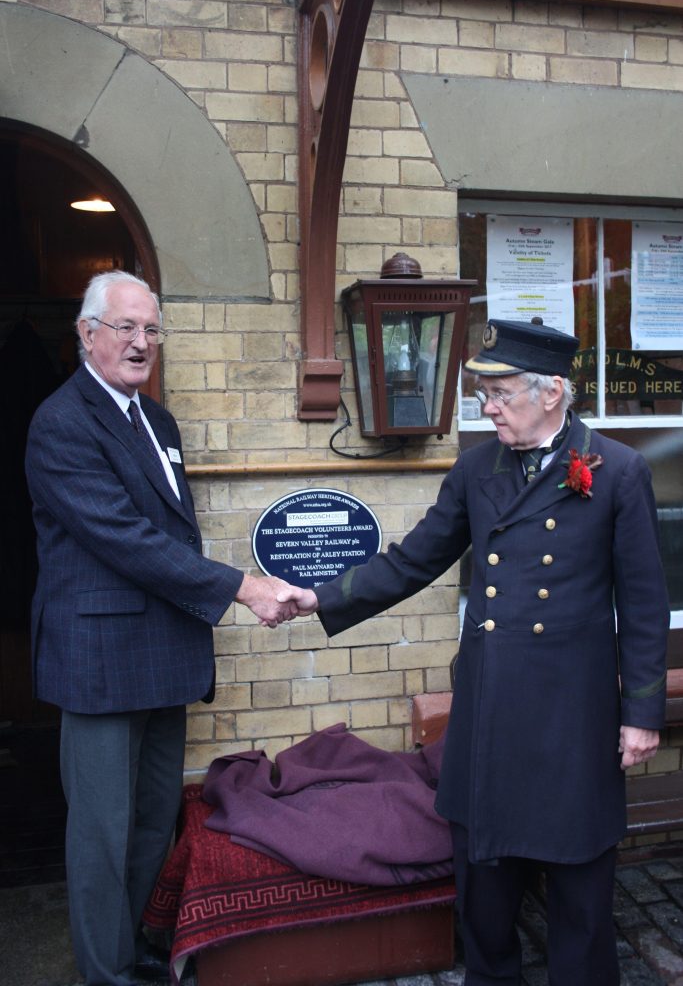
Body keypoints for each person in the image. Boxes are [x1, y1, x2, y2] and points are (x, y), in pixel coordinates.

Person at [279, 317, 670, 985]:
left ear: (550, 392)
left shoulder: (618, 470)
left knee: (578, 897)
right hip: (490, 710)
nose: (485, 408)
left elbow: (641, 605)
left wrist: (640, 713)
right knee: (484, 898)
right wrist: (322, 597)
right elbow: (413, 560)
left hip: (570, 717)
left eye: (499, 393)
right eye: (480, 393)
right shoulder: (475, 468)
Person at [25, 270, 296, 986]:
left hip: (162, 656)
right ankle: (106, 974)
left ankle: (142, 953)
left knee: (151, 823)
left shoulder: (158, 420)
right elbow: (124, 538)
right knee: (102, 837)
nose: (141, 343)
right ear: (87, 336)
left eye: (151, 329)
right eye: (125, 328)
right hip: (100, 663)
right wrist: (241, 587)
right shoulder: (61, 422)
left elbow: (170, 534)